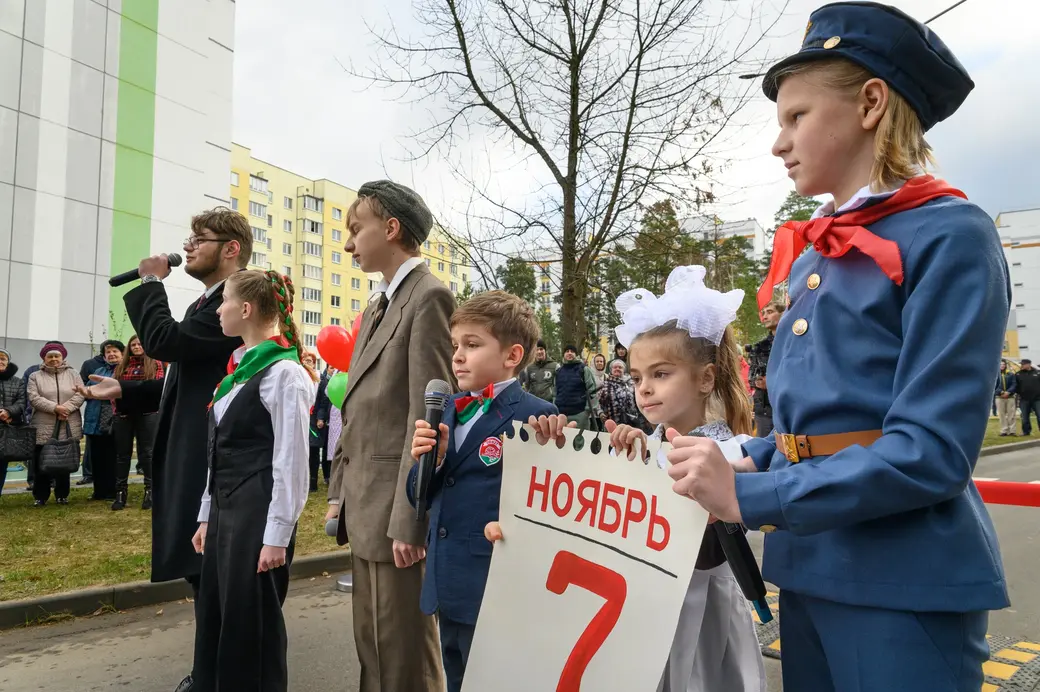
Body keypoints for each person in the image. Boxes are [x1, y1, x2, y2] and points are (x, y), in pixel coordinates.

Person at [659, 5, 1010, 690]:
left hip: (901, 580)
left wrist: (750, 496)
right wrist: (717, 457)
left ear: (871, 103)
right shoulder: (815, 249)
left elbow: (931, 452)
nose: (778, 142)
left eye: (796, 117)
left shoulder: (950, 234)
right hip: (810, 568)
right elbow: (803, 434)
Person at [588, 266, 766, 691]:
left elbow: (709, 542)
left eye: (660, 374)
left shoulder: (732, 453)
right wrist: (626, 461)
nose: (644, 389)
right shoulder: (641, 447)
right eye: (636, 378)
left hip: (702, 614)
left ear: (705, 378)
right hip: (645, 613)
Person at [326, 181, 453, 692]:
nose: (349, 242)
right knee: (372, 645)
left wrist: (411, 517)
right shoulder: (377, 307)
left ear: (392, 229)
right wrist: (338, 493)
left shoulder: (429, 298)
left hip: (395, 510)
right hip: (364, 504)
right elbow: (357, 411)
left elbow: (429, 418)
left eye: (358, 229)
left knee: (402, 653)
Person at [123, 207, 249, 692]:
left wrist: (153, 283)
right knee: (202, 576)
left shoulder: (238, 302)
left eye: (201, 237)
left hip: (215, 457)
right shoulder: (208, 303)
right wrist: (126, 393)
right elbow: (189, 377)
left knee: (211, 574)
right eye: (189, 237)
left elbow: (165, 342)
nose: (189, 245)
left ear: (231, 248)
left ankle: (215, 677)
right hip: (193, 449)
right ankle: (210, 672)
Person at [407, 291, 556, 692]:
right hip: (445, 578)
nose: (457, 356)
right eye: (456, 345)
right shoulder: (447, 408)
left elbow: (546, 503)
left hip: (493, 582)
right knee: (456, 678)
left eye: (472, 345)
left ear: (512, 356)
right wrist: (430, 460)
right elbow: (417, 496)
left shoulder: (538, 416)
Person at [190, 269, 316, 692]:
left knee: (251, 622)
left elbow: (292, 460)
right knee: (218, 613)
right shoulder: (237, 373)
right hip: (227, 509)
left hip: (259, 511)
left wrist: (278, 534)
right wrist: (207, 515)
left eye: (223, 300)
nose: (219, 307)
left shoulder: (285, 374)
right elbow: (218, 452)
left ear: (245, 309)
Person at [111, 334, 166, 510]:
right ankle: (120, 492)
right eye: (133, 344)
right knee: (122, 454)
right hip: (124, 415)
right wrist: (117, 409)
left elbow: (156, 389)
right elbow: (113, 389)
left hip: (148, 414)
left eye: (140, 343)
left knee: (147, 454)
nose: (136, 346)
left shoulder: (156, 363)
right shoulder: (122, 366)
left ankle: (150, 491)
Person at [27, 342, 86, 506]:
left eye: (57, 356)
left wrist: (65, 409)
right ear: (44, 358)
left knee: (64, 462)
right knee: (41, 462)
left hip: (68, 422)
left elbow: (80, 394)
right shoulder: (35, 376)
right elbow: (34, 397)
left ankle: (62, 495)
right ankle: (40, 496)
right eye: (50, 356)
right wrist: (55, 408)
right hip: (43, 424)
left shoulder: (74, 374)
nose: (54, 359)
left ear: (63, 357)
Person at [77, 340, 124, 486]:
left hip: (116, 420)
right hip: (96, 419)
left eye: (115, 351)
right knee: (97, 457)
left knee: (114, 456)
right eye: (108, 352)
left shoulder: (125, 371)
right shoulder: (98, 372)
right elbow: (88, 391)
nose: (111, 354)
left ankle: (114, 489)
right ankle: (99, 490)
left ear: (122, 354)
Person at [747, 301, 784, 437]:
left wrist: (773, 382)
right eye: (763, 313)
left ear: (783, 313)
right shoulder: (759, 347)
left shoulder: (795, 342)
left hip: (790, 406)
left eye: (770, 312)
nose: (765, 317)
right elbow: (751, 378)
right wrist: (758, 382)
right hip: (765, 410)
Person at [0, 348, 27, 493]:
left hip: (6, 427)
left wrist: (9, 411)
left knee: (2, 463)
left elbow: (22, 401)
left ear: (8, 362)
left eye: (3, 358)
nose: (0, 361)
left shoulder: (18, 382)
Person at [303, 352, 330, 492]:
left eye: (310, 361)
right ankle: (302, 482)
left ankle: (312, 482)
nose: (307, 363)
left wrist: (320, 417)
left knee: (313, 451)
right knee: (302, 451)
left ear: (314, 363)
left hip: (314, 420)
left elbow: (324, 401)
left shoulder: (321, 380)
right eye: (305, 361)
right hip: (301, 418)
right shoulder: (299, 377)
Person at [553, 345, 598, 429]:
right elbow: (555, 392)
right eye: (567, 351)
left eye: (572, 351)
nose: (569, 353)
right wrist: (554, 407)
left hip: (580, 414)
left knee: (580, 441)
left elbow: (592, 391)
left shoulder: (584, 369)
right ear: (563, 354)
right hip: (561, 414)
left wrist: (587, 411)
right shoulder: (558, 372)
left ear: (576, 354)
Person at [1015, 359, 1040, 435]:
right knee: (1025, 417)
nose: (1021, 365)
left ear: (1029, 364)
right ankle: (1026, 431)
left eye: (1023, 364)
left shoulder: (1038, 373)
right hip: (1024, 399)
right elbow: (1016, 386)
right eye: (1021, 364)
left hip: (1037, 399)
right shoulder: (1018, 374)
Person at [995, 360, 1017, 436]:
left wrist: (1008, 392)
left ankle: (1012, 431)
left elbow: (1014, 384)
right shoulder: (995, 375)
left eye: (1003, 364)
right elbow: (993, 386)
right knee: (1002, 415)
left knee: (1012, 414)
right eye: (1000, 364)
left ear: (1005, 365)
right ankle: (1004, 430)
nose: (1002, 366)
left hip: (1010, 397)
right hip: (999, 397)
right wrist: (1001, 392)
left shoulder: (1011, 374)